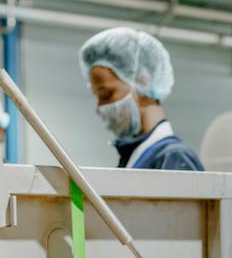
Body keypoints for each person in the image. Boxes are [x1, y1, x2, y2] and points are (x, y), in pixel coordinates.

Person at [78, 27, 203, 171]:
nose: (100, 108)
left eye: (107, 95)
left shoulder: (174, 157)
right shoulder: (136, 155)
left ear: (143, 81)